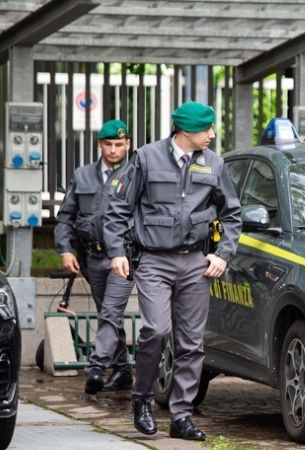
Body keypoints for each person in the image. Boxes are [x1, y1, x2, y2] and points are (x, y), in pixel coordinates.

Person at [103, 101, 242, 441]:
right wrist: (117, 251)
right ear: (185, 131)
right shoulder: (147, 158)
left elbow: (232, 214)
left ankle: (181, 415)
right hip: (154, 261)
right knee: (155, 330)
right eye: (206, 129)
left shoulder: (215, 163)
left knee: (192, 343)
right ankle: (142, 400)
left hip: (195, 262)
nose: (212, 134)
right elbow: (118, 208)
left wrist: (222, 253)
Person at [54, 119, 135, 395]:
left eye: (119, 145)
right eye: (108, 144)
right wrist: (65, 249)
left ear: (128, 145)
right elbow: (65, 216)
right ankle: (123, 370)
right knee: (108, 315)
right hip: (91, 258)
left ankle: (97, 368)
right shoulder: (83, 175)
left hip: (123, 259)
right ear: (100, 145)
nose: (113, 150)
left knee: (110, 313)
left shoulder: (135, 176)